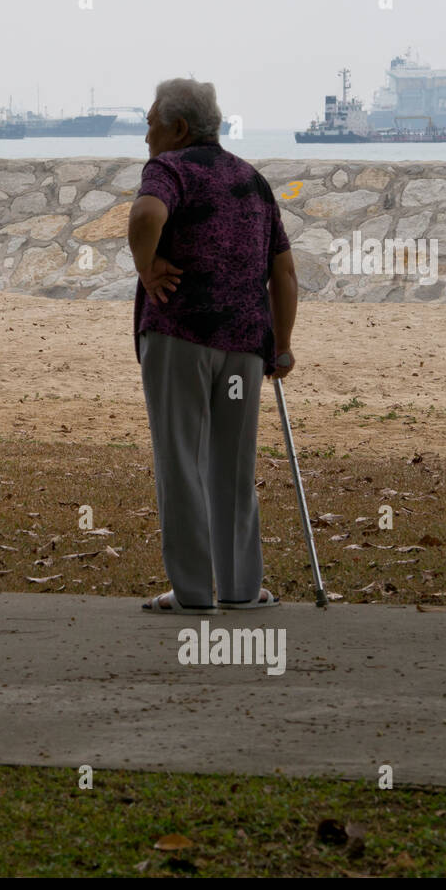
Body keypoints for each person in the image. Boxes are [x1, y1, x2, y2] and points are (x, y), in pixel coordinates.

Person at [127, 78, 298, 614]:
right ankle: (242, 588)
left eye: (151, 123)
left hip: (181, 338)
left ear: (178, 128)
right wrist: (284, 344)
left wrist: (146, 267)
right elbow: (285, 272)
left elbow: (146, 217)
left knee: (180, 459)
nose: (146, 134)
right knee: (232, 465)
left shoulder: (169, 169)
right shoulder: (252, 179)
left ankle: (194, 594)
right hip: (245, 345)